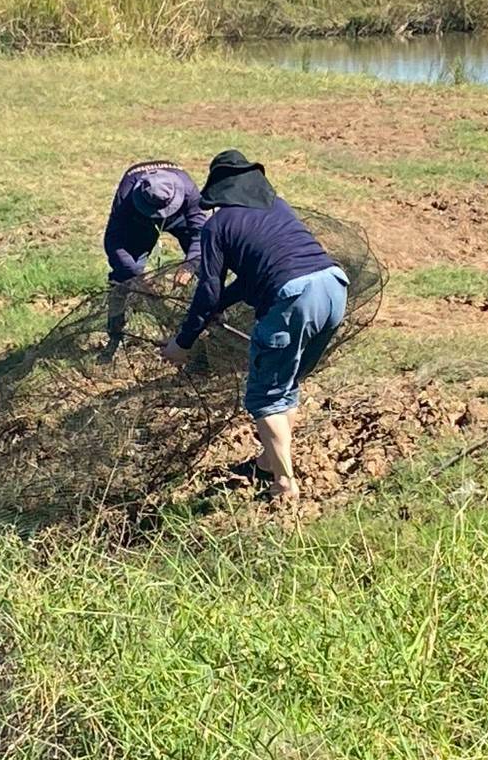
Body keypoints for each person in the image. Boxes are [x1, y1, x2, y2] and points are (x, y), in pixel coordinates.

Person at [159, 151, 348, 501]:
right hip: (334, 286)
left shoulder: (218, 226)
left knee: (265, 397)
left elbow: (208, 289)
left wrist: (183, 342)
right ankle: (267, 463)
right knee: (285, 384)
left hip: (293, 297)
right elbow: (251, 278)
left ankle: (285, 485)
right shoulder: (277, 207)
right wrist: (220, 307)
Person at [103, 161, 207, 340]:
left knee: (207, 264)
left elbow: (201, 234)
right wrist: (136, 276)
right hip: (141, 221)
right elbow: (114, 241)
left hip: (179, 217)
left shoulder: (189, 190)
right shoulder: (127, 196)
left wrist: (190, 265)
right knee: (125, 274)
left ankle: (209, 320)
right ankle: (116, 330)